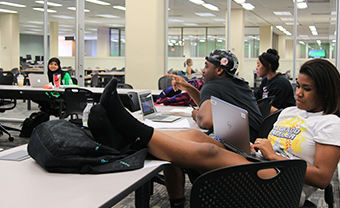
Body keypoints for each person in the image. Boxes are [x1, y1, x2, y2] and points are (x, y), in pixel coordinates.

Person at [88, 58, 340, 207]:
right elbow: (267, 143)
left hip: (283, 184)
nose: (297, 93)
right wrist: (256, 146)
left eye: (306, 89)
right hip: (262, 165)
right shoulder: (288, 113)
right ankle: (127, 137)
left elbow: (322, 178)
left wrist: (274, 157)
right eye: (298, 86)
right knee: (202, 137)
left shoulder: (330, 123)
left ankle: (130, 132)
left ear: (326, 92)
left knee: (209, 150)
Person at [168, 50, 262, 142]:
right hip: (255, 140)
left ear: (219, 70)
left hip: (241, 145)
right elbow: (205, 102)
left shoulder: (211, 86)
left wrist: (197, 115)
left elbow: (206, 122)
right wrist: (188, 88)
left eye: (206, 66)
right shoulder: (240, 83)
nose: (203, 71)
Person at [254, 48, 295, 114]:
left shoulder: (280, 83)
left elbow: (275, 110)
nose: (256, 68)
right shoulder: (266, 80)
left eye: (258, 65)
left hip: (283, 118)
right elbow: (257, 96)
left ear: (268, 66)